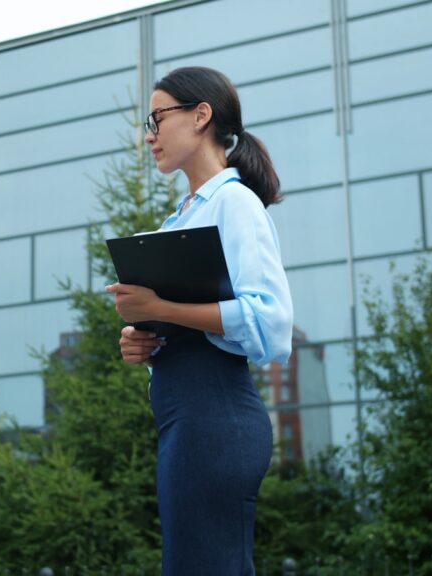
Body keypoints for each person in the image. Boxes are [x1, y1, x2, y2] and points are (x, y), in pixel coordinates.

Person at [105, 67, 293, 574]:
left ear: (201, 116)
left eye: (157, 118)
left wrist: (160, 310)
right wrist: (144, 337)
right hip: (186, 421)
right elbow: (195, 321)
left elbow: (269, 321)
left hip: (216, 418)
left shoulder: (234, 203)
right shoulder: (182, 217)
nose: (149, 134)